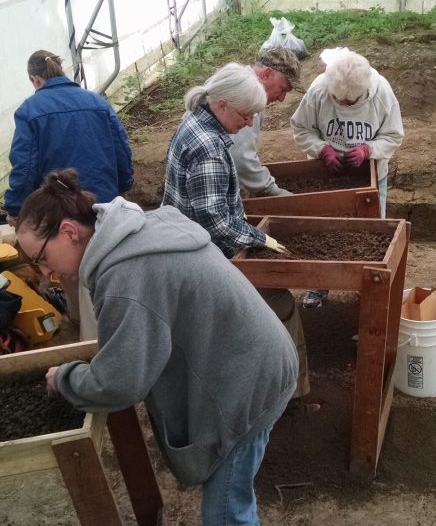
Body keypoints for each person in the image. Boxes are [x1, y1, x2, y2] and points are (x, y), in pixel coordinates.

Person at [16, 169, 298, 526]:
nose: (44, 273)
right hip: (253, 359)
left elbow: (120, 382)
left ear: (69, 232)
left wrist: (66, 379)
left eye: (40, 257)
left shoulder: (125, 274)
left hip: (248, 383)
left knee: (226, 514)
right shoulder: (136, 230)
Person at [162, 62, 318, 415]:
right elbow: (215, 222)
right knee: (279, 303)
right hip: (200, 254)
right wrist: (263, 239)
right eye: (246, 115)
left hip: (183, 239)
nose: (249, 123)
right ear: (222, 106)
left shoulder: (196, 123)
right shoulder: (208, 149)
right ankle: (285, 395)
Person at [3, 50, 134, 328]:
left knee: (74, 274)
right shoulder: (96, 101)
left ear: (35, 79)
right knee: (109, 267)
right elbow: (122, 148)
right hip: (104, 204)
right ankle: (116, 323)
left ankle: (85, 332)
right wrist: (123, 186)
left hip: (63, 209)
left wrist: (16, 209)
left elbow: (24, 167)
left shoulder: (30, 111)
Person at [291, 48, 404, 308]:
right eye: (337, 101)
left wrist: (368, 150)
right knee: (321, 232)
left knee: (371, 232)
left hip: (371, 175)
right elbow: (300, 127)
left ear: (363, 93)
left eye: (349, 103)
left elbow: (394, 135)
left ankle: (369, 287)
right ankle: (319, 286)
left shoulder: (382, 94)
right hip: (326, 175)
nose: (342, 106)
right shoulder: (319, 90)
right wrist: (322, 149)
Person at [228, 47, 304, 197]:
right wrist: (274, 191)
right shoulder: (246, 95)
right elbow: (241, 158)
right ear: (267, 74)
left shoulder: (240, 77)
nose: (281, 99)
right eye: (282, 89)